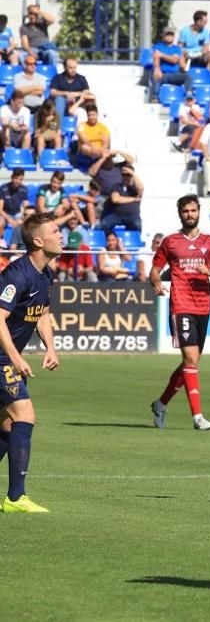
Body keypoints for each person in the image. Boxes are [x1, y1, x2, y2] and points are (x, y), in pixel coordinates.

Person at [150, 195, 210, 431]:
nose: (190, 214)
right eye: (185, 211)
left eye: (193, 210)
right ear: (180, 213)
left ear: (199, 212)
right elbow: (154, 271)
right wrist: (156, 282)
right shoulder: (170, 242)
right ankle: (197, 417)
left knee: (190, 362)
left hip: (203, 306)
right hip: (181, 305)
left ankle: (161, 403)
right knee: (192, 359)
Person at [0, 212, 61, 513]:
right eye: (55, 230)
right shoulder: (16, 275)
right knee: (25, 415)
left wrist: (50, 346)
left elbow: (44, 313)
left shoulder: (45, 273)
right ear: (38, 240)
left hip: (7, 358)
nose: (62, 235)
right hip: (1, 358)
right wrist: (14, 356)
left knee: (8, 426)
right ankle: (15, 499)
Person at [151, 27, 193, 103]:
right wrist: (157, 68)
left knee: (188, 76)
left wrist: (162, 55)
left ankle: (189, 95)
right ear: (163, 35)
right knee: (156, 75)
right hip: (163, 73)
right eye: (167, 35)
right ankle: (155, 97)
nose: (169, 37)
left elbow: (175, 60)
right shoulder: (158, 46)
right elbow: (156, 56)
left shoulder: (177, 48)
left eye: (171, 35)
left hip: (175, 74)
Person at [100, 161, 143, 233]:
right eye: (124, 175)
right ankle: (109, 240)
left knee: (137, 225)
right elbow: (115, 199)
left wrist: (132, 173)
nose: (126, 177)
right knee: (104, 224)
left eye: (128, 175)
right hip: (117, 215)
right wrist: (133, 199)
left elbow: (141, 188)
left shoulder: (135, 188)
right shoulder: (117, 186)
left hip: (132, 215)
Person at [0, 169, 29, 245]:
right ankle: (1, 245)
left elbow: (26, 206)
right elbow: (0, 209)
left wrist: (22, 218)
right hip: (5, 214)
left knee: (29, 221)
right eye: (16, 178)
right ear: (12, 177)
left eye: (20, 179)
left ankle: (21, 246)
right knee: (0, 222)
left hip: (17, 214)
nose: (17, 181)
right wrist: (9, 218)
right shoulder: (3, 188)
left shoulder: (24, 189)